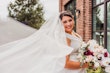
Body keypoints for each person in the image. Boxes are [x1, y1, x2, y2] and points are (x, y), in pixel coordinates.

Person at [0, 11, 87, 73]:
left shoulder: (74, 34)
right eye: (65, 22)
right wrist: (85, 65)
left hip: (78, 68)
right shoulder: (66, 38)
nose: (68, 24)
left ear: (73, 20)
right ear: (60, 24)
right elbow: (66, 63)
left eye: (70, 20)